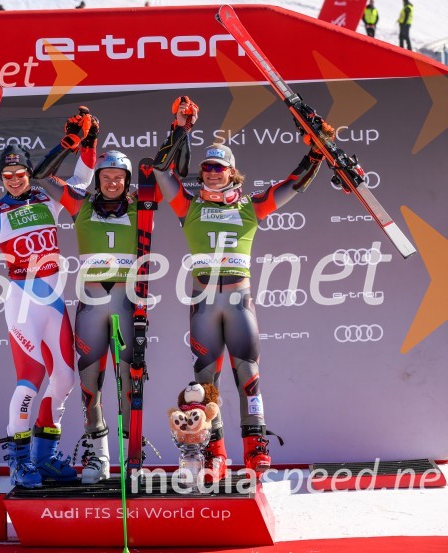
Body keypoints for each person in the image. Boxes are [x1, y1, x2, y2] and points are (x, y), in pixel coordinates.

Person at [151, 98, 332, 481]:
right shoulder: (189, 205)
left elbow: (293, 184)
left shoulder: (251, 206)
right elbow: (160, 171)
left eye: (218, 168)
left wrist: (316, 154)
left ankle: (256, 449)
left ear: (233, 172)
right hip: (203, 303)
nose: (211, 173)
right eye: (206, 168)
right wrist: (180, 129)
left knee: (248, 375)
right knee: (204, 385)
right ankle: (215, 453)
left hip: (238, 301)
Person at [0, 135, 95, 488]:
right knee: (30, 380)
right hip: (23, 302)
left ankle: (45, 456)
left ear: (29, 172)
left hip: (55, 302)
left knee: (65, 380)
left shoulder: (48, 200)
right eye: (7, 174)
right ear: (1, 178)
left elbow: (83, 182)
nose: (14, 179)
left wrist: (90, 143)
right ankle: (20, 462)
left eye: (19, 172)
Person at [33, 112, 148, 484]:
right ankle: (99, 458)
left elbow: (171, 174)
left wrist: (182, 132)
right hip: (91, 305)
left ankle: (133, 458)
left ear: (127, 181)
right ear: (97, 179)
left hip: (129, 304)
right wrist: (74, 145)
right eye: (106, 176)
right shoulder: (80, 205)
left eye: (119, 177)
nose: (113, 183)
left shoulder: (141, 208)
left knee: (131, 383)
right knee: (90, 385)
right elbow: (40, 177)